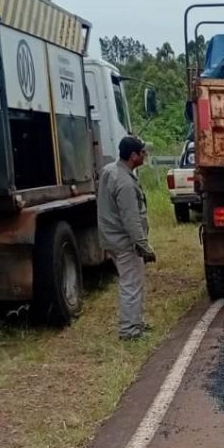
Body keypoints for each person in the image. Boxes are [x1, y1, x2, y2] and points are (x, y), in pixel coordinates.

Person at [98, 136, 156, 340]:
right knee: (131, 284)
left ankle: (136, 323)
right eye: (142, 152)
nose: (145, 155)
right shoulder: (125, 184)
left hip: (110, 237)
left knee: (130, 282)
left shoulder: (109, 171)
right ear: (133, 156)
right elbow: (131, 220)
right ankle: (130, 331)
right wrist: (144, 246)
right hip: (124, 242)